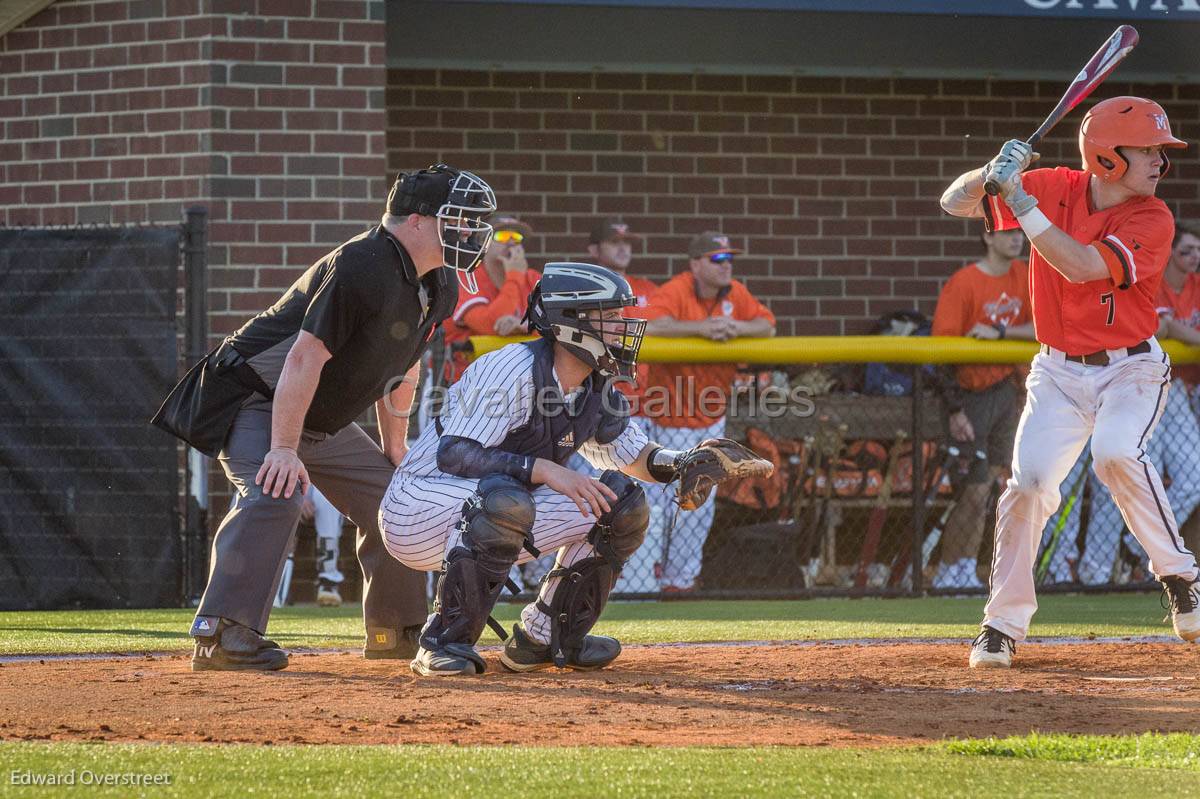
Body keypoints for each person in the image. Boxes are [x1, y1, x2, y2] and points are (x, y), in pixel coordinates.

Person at [152, 164, 497, 671]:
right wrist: (284, 449)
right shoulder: (363, 263)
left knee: (397, 497)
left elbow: (402, 372)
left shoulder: (438, 284)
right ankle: (221, 633)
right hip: (254, 401)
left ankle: (395, 631)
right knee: (278, 488)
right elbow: (303, 358)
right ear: (420, 220)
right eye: (459, 219)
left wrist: (395, 449)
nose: (469, 232)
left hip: (313, 415)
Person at [379, 262, 758, 676]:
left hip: (485, 507)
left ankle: (543, 638)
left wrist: (684, 463)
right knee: (506, 502)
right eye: (611, 317)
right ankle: (442, 642)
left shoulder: (594, 384)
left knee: (620, 504)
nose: (622, 326)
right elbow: (454, 455)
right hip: (415, 506)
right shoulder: (513, 367)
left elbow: (635, 456)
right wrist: (544, 469)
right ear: (571, 323)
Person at [939, 96, 1200, 668]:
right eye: (1149, 150)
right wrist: (989, 175)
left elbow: (1081, 265)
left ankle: (1180, 576)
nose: (1161, 161)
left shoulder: (1152, 218)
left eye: (1162, 150)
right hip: (1057, 372)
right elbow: (953, 202)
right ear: (1107, 159)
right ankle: (1001, 626)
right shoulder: (1053, 185)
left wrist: (1021, 201)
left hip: (1129, 368)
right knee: (1028, 485)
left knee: (1114, 454)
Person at [633, 232, 776, 595]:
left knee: (699, 501)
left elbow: (767, 325)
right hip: (669, 417)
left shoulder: (735, 293)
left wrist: (734, 328)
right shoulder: (678, 289)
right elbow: (651, 324)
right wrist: (702, 329)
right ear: (695, 264)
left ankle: (679, 582)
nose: (726, 264)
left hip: (712, 415)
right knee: (662, 505)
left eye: (728, 258)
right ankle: (646, 581)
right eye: (716, 259)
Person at [1072, 220, 1200, 582]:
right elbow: (1158, 329)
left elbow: (1173, 328)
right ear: (1170, 251)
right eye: (1186, 250)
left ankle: (1138, 544)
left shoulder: (1196, 286)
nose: (1193, 258)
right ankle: (1094, 572)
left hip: (1174, 392)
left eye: (1198, 251)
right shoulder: (1151, 277)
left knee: (1194, 477)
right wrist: (1177, 331)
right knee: (1122, 481)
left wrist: (1179, 330)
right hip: (1129, 387)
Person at [929, 227, 1035, 589]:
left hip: (1008, 391)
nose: (1016, 238)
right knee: (972, 490)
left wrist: (1002, 334)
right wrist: (955, 410)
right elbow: (940, 353)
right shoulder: (964, 282)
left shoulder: (1025, 275)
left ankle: (966, 567)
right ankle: (950, 568)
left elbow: (1044, 329)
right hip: (969, 394)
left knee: (992, 486)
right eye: (1006, 232)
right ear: (988, 238)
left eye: (1018, 232)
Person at [269, 483, 347, 607]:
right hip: (288, 482)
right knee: (276, 496)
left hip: (323, 480)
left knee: (328, 497)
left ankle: (328, 582)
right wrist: (297, 495)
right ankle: (275, 584)